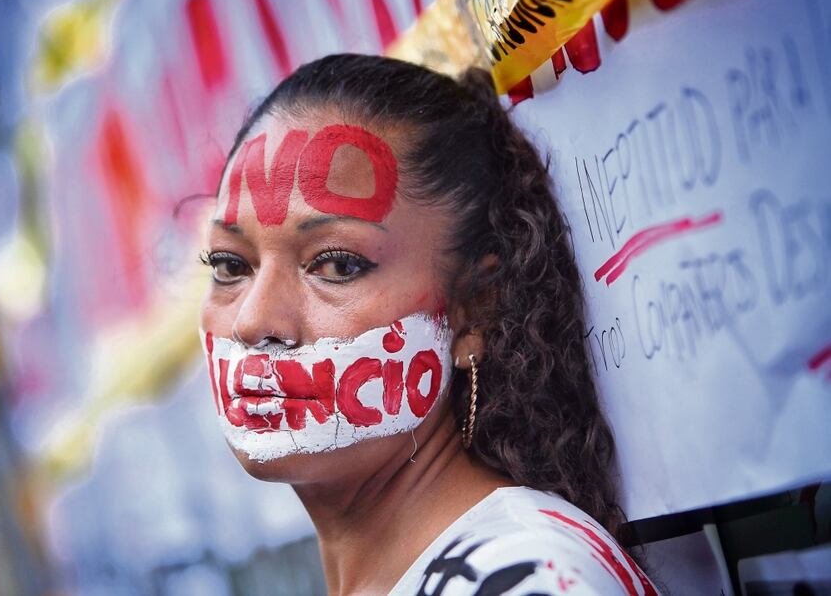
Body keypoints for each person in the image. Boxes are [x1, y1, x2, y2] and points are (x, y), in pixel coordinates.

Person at [198, 53, 659, 595]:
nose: (254, 321)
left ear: (474, 310)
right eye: (230, 265)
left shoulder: (524, 577)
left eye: (337, 264)